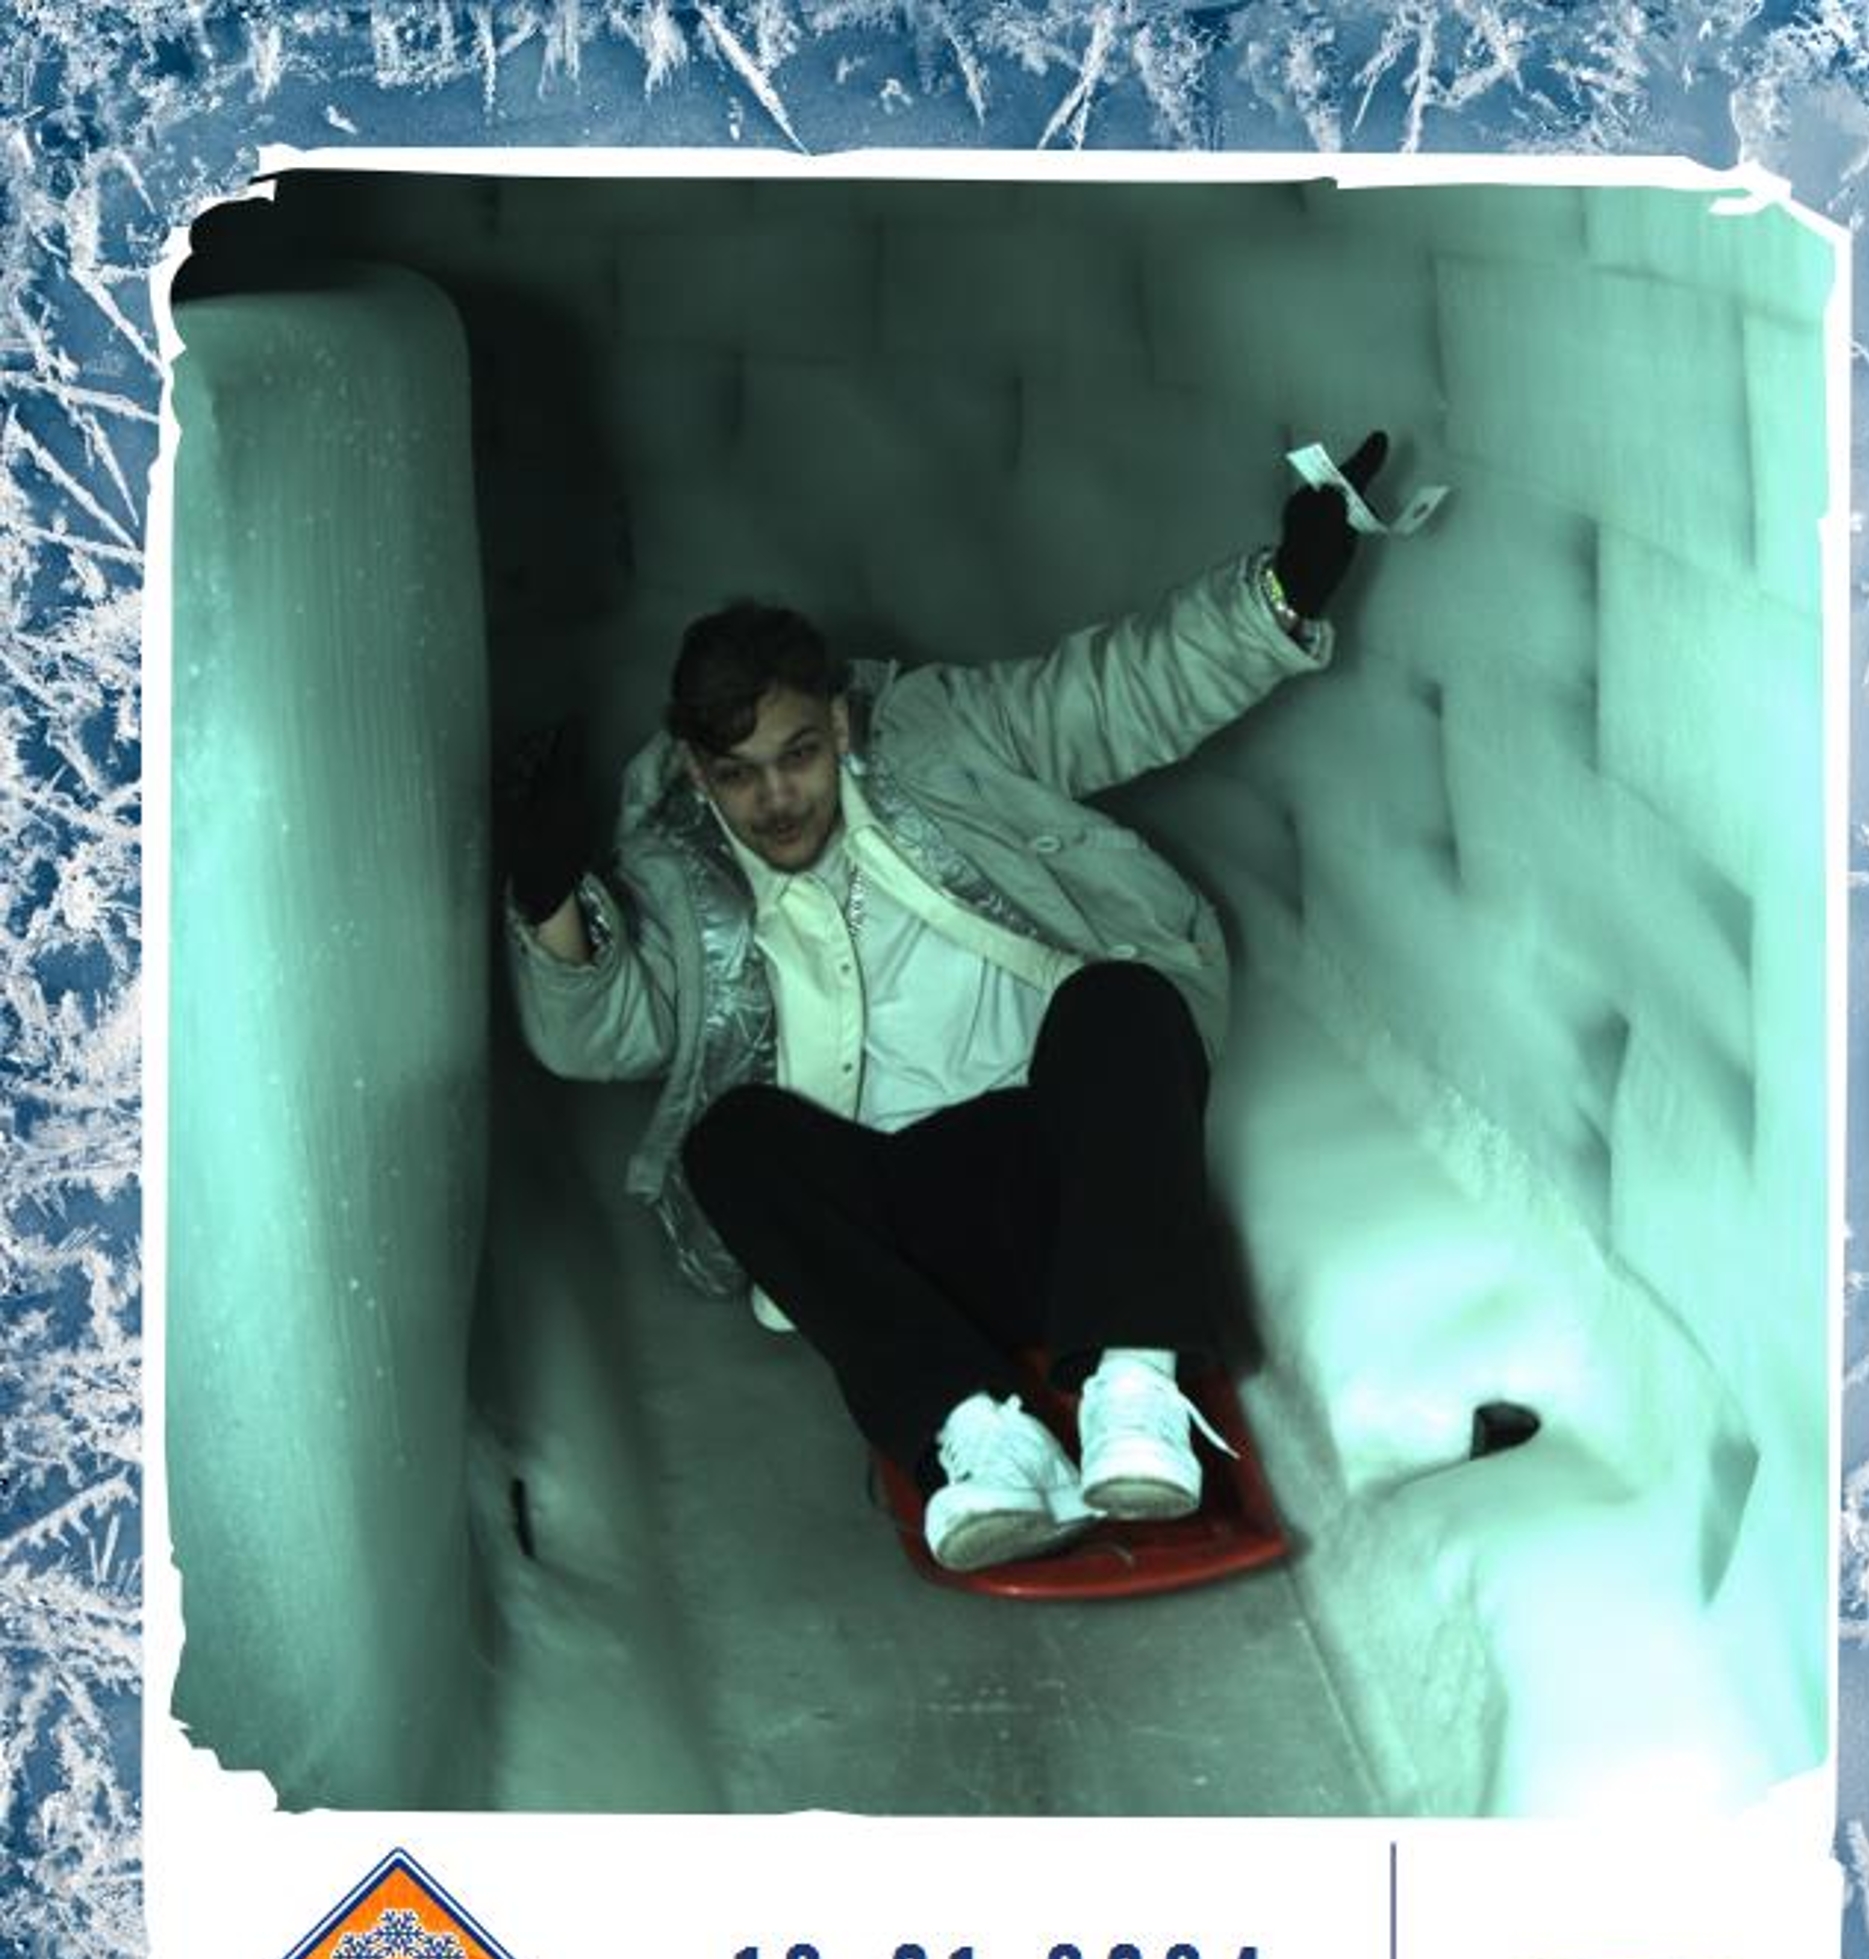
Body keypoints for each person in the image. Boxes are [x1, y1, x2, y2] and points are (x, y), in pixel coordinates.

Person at [506, 435, 1387, 1572]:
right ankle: (976, 1434)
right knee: (727, 1143)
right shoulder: (679, 878)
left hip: (1071, 1184)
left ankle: (1134, 1390)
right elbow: (601, 1031)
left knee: (1122, 1001)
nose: (775, 798)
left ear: (841, 721)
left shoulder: (945, 733)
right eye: (737, 774)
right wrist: (548, 902)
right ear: (692, 766)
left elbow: (1116, 691)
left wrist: (1279, 596)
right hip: (900, 1237)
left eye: (797, 753)